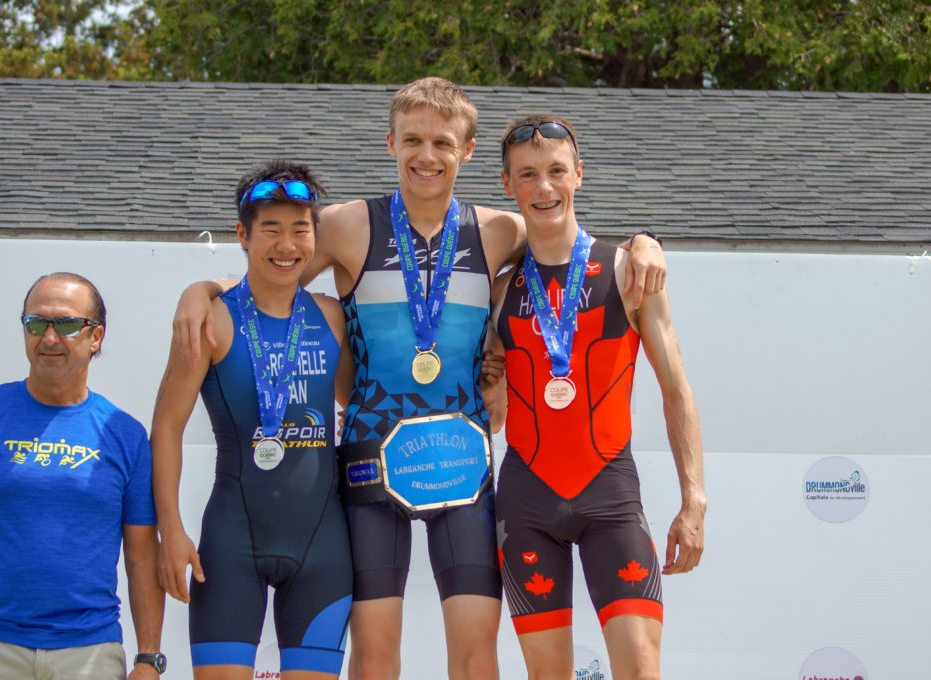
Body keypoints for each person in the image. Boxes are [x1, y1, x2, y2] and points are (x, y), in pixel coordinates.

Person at [172, 78, 668, 680]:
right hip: (368, 464)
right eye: (412, 140)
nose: (426, 155)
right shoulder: (346, 226)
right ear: (389, 143)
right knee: (376, 657)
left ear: (467, 151)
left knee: (476, 655)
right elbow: (269, 280)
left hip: (460, 463)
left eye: (441, 141)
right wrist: (203, 290)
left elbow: (569, 241)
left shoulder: (499, 232)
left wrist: (645, 242)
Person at [489, 115, 705, 680]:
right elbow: (490, 408)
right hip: (526, 500)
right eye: (528, 175)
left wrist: (695, 500)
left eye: (557, 171)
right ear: (507, 185)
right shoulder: (498, 289)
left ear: (579, 175)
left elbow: (676, 388)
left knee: (639, 671)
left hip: (609, 495)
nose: (544, 188)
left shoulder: (627, 268)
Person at [151, 160, 355, 680]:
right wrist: (171, 532)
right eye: (270, 229)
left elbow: (361, 405)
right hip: (231, 542)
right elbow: (167, 427)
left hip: (322, 544)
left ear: (315, 236)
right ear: (242, 234)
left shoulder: (332, 317)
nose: (286, 245)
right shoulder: (211, 320)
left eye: (299, 229)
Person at [0, 273, 165, 680]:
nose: (48, 338)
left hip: (90, 650)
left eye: (64, 324)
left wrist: (149, 658)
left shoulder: (125, 434)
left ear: (95, 336)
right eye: (35, 323)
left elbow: (142, 555)